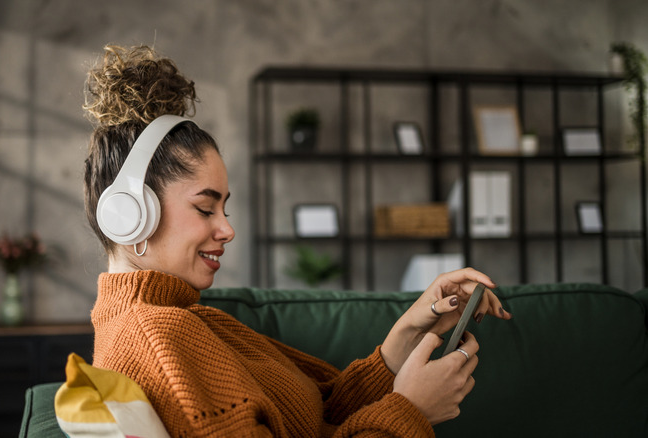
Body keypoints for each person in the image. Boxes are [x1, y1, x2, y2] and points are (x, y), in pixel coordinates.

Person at [81, 44, 512, 437]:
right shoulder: (156, 336)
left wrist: (407, 334)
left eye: (225, 209)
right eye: (205, 208)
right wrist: (410, 411)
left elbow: (322, 412)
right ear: (131, 216)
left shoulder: (185, 319)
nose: (227, 229)